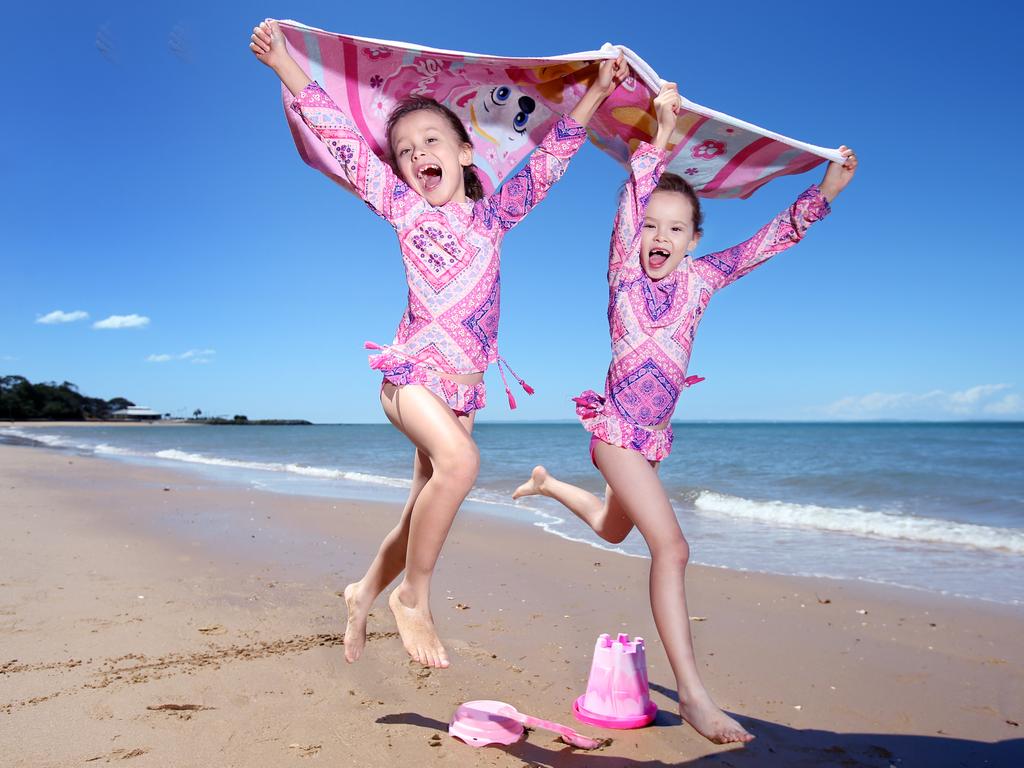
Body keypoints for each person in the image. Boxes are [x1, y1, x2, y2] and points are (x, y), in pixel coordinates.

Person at [251, 19, 627, 669]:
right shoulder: (400, 205)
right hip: (410, 376)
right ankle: (415, 601)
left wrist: (593, 93)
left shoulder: (500, 213)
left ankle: (364, 589)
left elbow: (556, 155)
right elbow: (341, 138)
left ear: (464, 153)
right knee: (460, 465)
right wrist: (285, 64)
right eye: (403, 149)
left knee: (423, 502)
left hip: (463, 387)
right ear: (397, 169)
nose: (417, 152)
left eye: (431, 140)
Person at [514, 81, 857, 743]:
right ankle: (696, 699)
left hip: (649, 443)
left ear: (695, 240)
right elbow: (634, 198)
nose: (659, 236)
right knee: (672, 548)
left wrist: (827, 191)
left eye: (676, 228)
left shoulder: (703, 281)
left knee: (616, 531)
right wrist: (661, 134)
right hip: (613, 433)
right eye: (651, 225)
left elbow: (769, 240)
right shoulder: (624, 276)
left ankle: (546, 483)